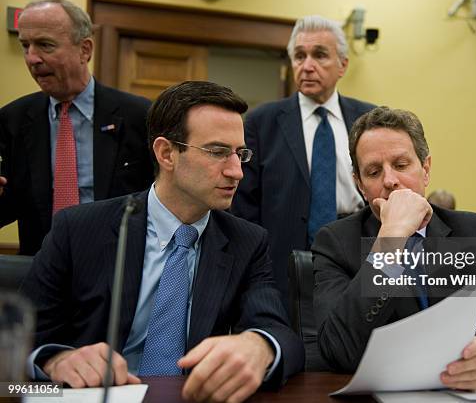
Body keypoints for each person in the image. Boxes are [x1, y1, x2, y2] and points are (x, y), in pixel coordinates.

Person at [20, 81, 304, 402]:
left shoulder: (246, 242)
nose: (237, 171)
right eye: (218, 152)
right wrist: (56, 359)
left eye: (240, 153)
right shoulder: (80, 229)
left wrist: (259, 345)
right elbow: (22, 335)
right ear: (167, 153)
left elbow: (284, 336)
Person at [313, 107, 476, 390]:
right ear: (360, 184)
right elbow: (339, 350)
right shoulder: (335, 242)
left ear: (426, 169)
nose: (389, 180)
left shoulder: (472, 232)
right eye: (373, 171)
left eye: (401, 164)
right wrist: (391, 239)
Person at [232, 15, 375, 305]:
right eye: (299, 56)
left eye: (319, 55)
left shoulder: (369, 119)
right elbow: (243, 206)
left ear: (343, 65)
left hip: (358, 262)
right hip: (282, 268)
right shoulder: (262, 122)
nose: (307, 65)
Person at [0, 0, 153, 255]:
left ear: (85, 50)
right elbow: (8, 208)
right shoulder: (12, 120)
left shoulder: (139, 115)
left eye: (45, 45)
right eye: (25, 46)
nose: (32, 58)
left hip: (116, 269)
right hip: (42, 268)